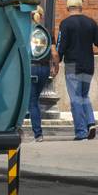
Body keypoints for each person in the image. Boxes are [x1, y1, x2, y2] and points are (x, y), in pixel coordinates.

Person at [55, 0, 98, 140]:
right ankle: (90, 122)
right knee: (84, 96)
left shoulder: (65, 24)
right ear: (81, 7)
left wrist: (56, 63)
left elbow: (61, 46)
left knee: (75, 98)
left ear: (68, 8)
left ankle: (81, 131)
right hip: (88, 65)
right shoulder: (91, 23)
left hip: (72, 65)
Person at [28, 7, 55, 141]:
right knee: (34, 100)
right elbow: (54, 53)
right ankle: (37, 132)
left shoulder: (26, 30)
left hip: (30, 68)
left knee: (32, 102)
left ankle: (38, 133)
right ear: (42, 17)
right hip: (44, 69)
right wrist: (55, 66)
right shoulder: (47, 32)